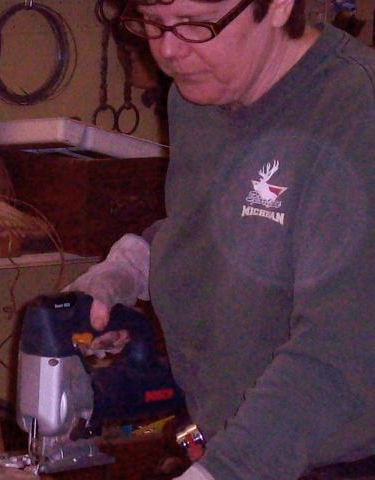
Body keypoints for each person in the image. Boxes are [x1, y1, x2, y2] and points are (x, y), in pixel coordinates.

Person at [65, 0, 375, 478]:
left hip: (338, 460)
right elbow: (227, 224)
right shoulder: (198, 98)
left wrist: (223, 471)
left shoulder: (355, 110)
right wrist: (134, 262)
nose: (168, 51)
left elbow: (340, 349)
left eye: (194, 24)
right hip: (228, 442)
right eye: (152, 22)